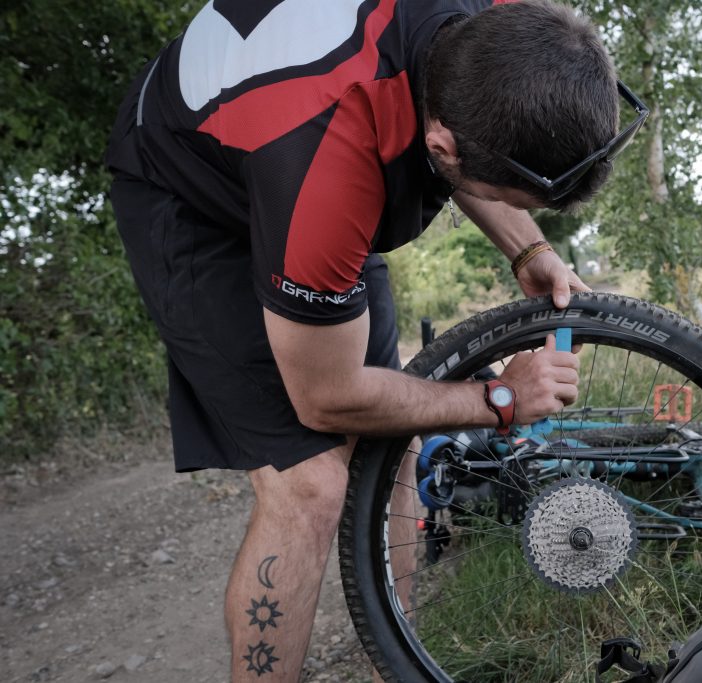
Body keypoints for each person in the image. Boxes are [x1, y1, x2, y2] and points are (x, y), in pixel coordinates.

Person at [105, 0, 642, 679]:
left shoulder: (498, 27)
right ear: (441, 148)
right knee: (310, 485)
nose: (521, 215)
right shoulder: (324, 164)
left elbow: (470, 126)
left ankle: (398, 658)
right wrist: (501, 395)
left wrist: (528, 248)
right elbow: (328, 399)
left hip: (313, 139)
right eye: (520, 201)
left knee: (397, 444)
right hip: (190, 186)